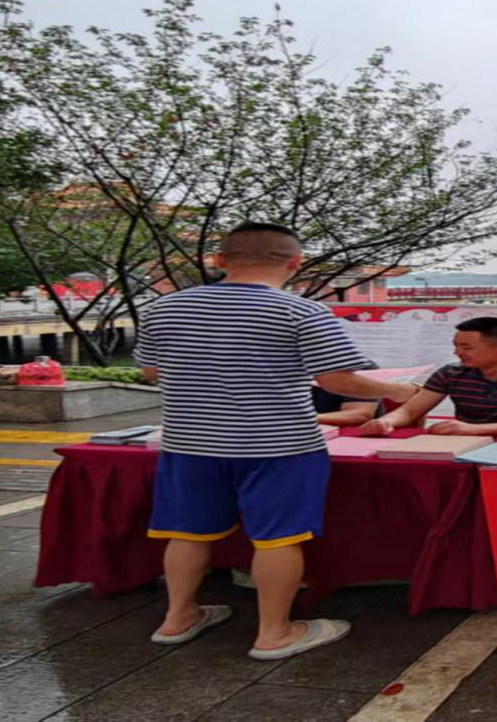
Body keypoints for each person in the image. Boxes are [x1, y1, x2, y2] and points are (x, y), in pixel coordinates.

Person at [133, 222, 417, 661]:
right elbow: (338, 380)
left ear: (220, 260)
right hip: (279, 446)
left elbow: (151, 371)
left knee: (187, 532)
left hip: (188, 442)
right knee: (278, 538)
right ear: (295, 263)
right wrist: (404, 391)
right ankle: (274, 633)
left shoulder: (163, 308)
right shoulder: (301, 311)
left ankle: (178, 618)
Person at [359, 316, 497, 436]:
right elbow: (410, 411)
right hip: (464, 444)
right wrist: (386, 421)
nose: (457, 352)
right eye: (456, 346)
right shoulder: (451, 373)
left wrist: (475, 429)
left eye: (467, 347)